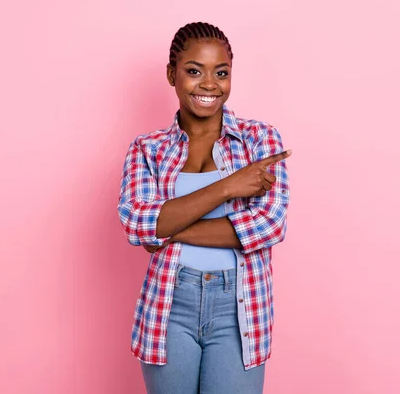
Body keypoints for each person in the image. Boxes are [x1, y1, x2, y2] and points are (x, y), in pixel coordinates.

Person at [117, 22, 291, 394]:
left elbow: (269, 226)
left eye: (221, 73)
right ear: (172, 75)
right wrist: (228, 186)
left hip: (239, 307)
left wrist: (167, 228)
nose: (209, 84)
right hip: (170, 302)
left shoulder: (259, 140)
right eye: (194, 71)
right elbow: (136, 223)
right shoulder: (148, 149)